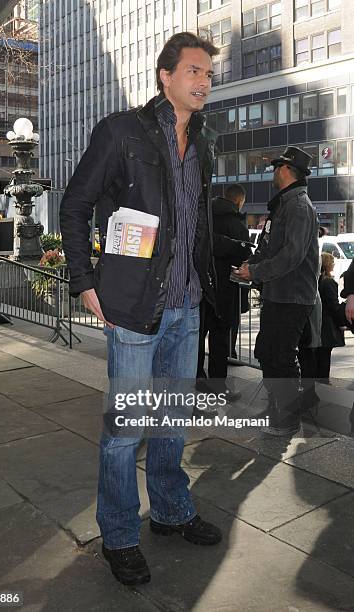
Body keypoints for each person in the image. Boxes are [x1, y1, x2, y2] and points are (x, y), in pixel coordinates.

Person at [59, 32, 222, 586]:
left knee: (173, 422)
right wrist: (83, 280)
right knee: (126, 433)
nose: (204, 82)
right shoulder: (121, 131)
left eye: (208, 74)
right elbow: (76, 204)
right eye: (195, 72)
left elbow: (193, 227)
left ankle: (173, 511)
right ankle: (121, 535)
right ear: (166, 76)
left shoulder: (203, 143)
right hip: (132, 310)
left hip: (186, 308)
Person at [233, 146, 319, 436]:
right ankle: (275, 410)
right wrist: (250, 264)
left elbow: (292, 255)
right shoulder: (283, 205)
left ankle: (287, 419)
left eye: (275, 167)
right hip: (278, 293)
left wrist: (255, 271)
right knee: (267, 352)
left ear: (286, 170)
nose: (272, 171)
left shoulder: (299, 206)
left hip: (292, 296)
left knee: (281, 356)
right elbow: (270, 248)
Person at [197, 185, 251, 400]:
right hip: (226, 292)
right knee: (220, 342)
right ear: (239, 201)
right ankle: (218, 387)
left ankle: (197, 382)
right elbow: (242, 258)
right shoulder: (236, 223)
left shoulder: (205, 215)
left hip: (202, 289)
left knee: (198, 339)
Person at [315, 253, 345, 384]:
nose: (334, 264)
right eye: (332, 262)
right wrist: (342, 321)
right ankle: (323, 381)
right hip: (327, 324)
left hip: (317, 321)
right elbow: (333, 305)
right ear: (327, 264)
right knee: (325, 355)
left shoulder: (317, 280)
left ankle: (317, 379)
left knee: (317, 354)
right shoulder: (329, 282)